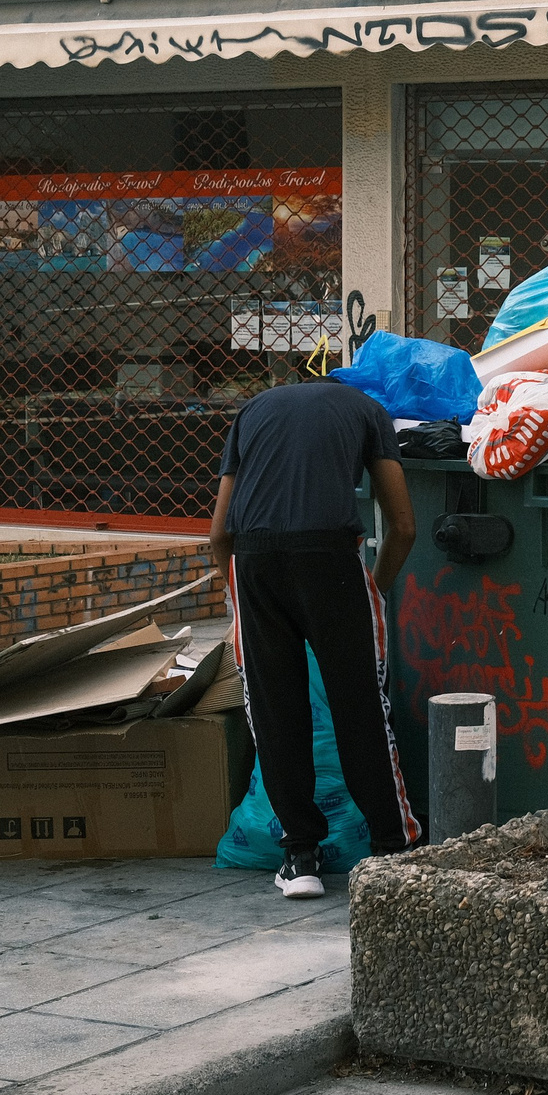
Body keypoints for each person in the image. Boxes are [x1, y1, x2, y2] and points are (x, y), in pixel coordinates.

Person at [208, 377, 422, 898]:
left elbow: (219, 533)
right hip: (330, 558)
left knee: (276, 708)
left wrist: (238, 596)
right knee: (360, 705)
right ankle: (395, 849)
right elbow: (404, 526)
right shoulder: (369, 411)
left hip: (253, 560)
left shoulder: (253, 410)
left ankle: (300, 857)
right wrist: (374, 589)